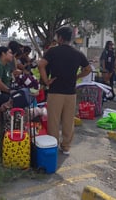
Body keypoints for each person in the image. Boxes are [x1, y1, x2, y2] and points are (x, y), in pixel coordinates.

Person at [38, 26, 91, 155]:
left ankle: (54, 145)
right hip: (71, 93)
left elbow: (41, 65)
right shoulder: (78, 53)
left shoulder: (52, 51)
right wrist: (77, 77)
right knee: (68, 120)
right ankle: (66, 146)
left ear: (60, 38)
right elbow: (88, 69)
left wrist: (46, 81)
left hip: (55, 91)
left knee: (54, 121)